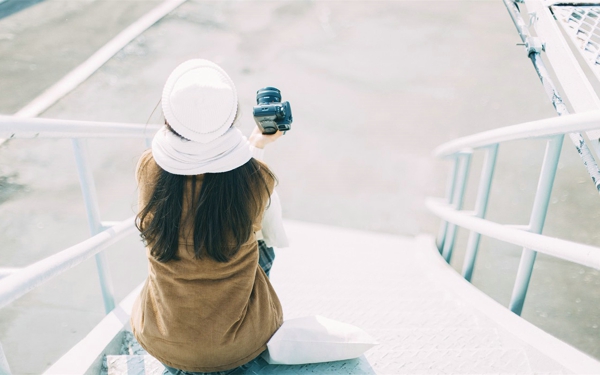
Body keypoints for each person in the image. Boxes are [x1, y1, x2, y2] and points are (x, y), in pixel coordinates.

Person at [130, 59, 288, 375]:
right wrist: (256, 146)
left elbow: (195, 177)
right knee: (263, 244)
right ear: (231, 117)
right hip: (242, 346)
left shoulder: (149, 168)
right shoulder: (258, 177)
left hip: (163, 341)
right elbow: (268, 234)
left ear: (169, 115)